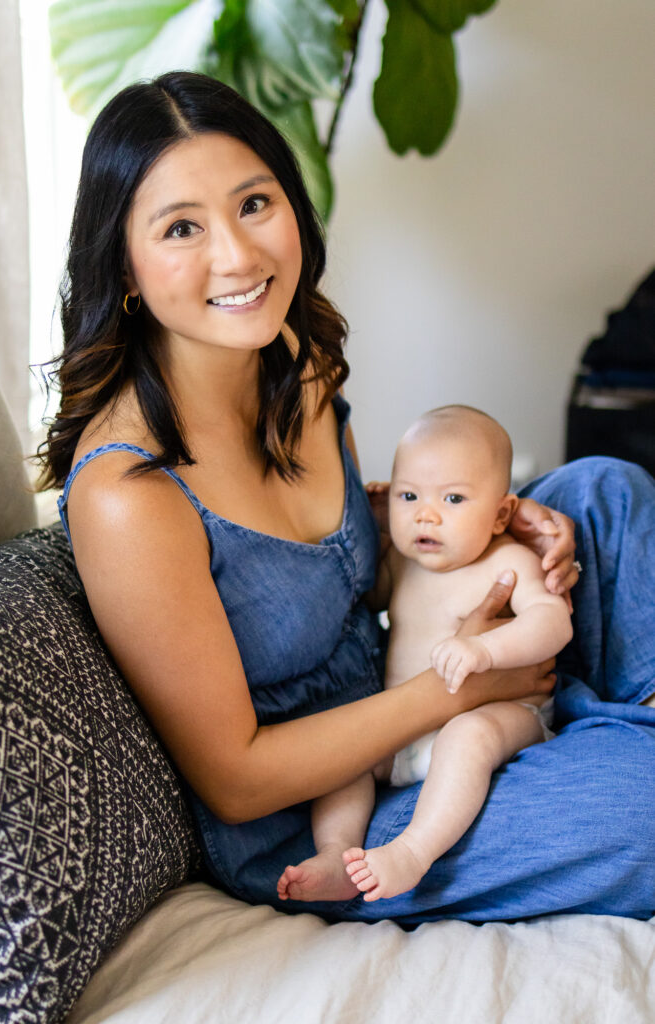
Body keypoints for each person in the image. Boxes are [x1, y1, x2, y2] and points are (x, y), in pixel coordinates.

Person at [38, 71, 655, 926]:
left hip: (426, 670)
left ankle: (617, 718)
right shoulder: (128, 493)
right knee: (640, 809)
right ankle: (612, 743)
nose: (238, 256)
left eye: (255, 203)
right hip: (331, 814)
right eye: (182, 228)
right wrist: (459, 692)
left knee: (604, 492)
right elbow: (237, 777)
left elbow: (356, 573)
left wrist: (503, 521)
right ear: (126, 267)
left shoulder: (294, 355)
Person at [278, 405, 572, 904]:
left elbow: (553, 622)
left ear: (502, 513)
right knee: (345, 753)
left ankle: (413, 851)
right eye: (408, 495)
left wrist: (485, 648)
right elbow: (368, 597)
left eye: (453, 498)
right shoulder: (402, 560)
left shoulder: (507, 560)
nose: (425, 514)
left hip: (502, 715)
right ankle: (337, 853)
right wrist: (370, 528)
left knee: (468, 736)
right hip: (406, 731)